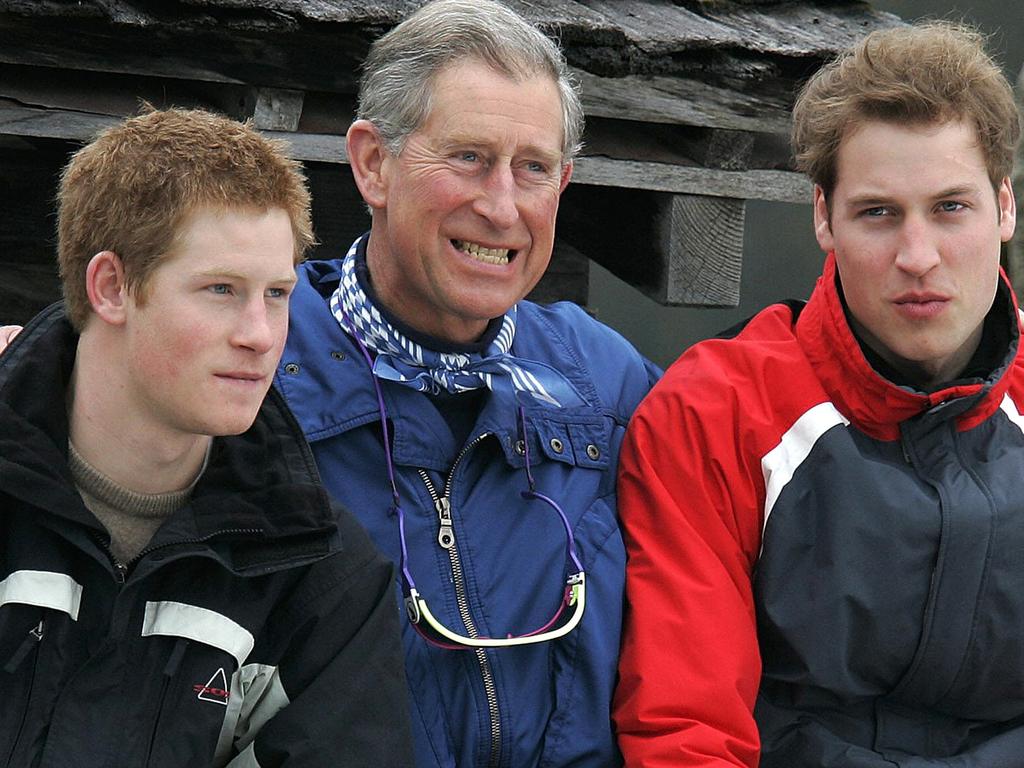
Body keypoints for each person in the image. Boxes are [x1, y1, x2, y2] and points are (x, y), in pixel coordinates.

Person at [614, 22, 1022, 767]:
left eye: (951, 208)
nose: (918, 256)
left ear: (1006, 208)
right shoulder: (715, 411)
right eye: (878, 212)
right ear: (821, 218)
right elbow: (686, 729)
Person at [271, 1, 659, 765]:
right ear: (372, 163)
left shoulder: (609, 381)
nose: (502, 206)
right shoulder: (255, 362)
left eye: (534, 168)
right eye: (469, 158)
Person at [0, 108, 413, 766]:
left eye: (277, 294)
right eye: (221, 289)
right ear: (110, 286)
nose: (260, 333)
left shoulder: (320, 573)